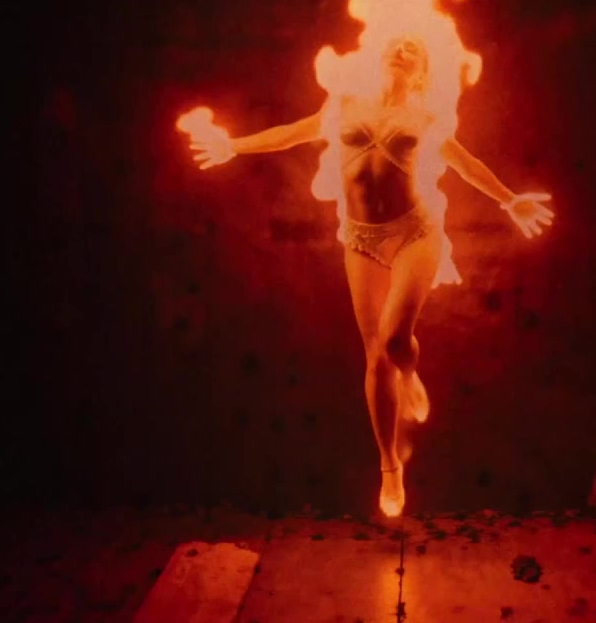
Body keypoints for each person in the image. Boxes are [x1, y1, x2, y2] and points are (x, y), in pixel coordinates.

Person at [184, 35, 553, 516]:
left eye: (414, 49)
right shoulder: (345, 105)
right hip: (361, 240)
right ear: (380, 59)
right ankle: (389, 466)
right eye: (397, 45)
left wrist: (509, 200)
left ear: (422, 72)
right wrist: (232, 146)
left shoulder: (425, 117)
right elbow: (292, 133)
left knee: (396, 338)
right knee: (376, 354)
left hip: (415, 234)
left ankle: (410, 371)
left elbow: (467, 165)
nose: (403, 50)